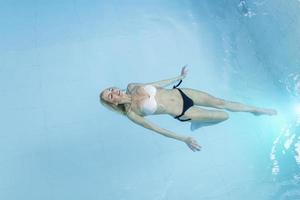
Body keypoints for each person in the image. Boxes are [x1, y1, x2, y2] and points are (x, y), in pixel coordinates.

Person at [100, 66, 277, 152]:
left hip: (183, 93)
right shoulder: (132, 113)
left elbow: (156, 84)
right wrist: (184, 139)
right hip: (183, 112)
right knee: (224, 116)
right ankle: (198, 124)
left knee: (220, 102)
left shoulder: (132, 86)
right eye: (110, 96)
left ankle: (257, 110)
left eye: (111, 89)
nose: (114, 92)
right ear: (113, 103)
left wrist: (179, 76)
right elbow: (157, 129)